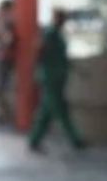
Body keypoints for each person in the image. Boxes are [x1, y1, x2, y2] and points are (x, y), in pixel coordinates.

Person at [28, 8, 87, 153]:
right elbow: (39, 51)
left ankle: (34, 140)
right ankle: (76, 139)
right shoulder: (50, 33)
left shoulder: (57, 34)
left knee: (46, 112)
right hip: (51, 77)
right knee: (60, 110)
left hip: (57, 77)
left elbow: (62, 57)